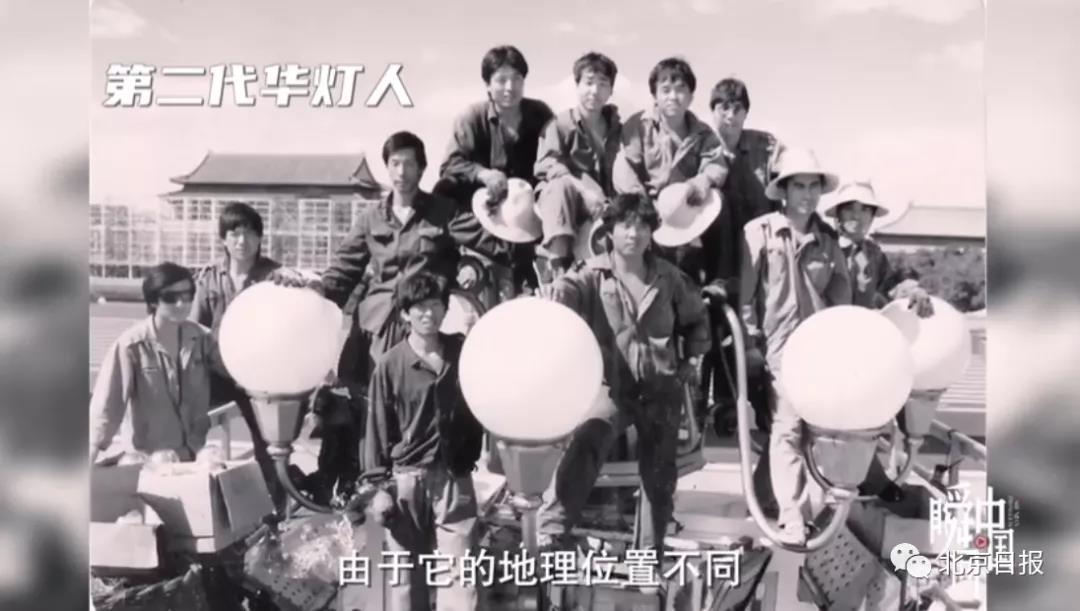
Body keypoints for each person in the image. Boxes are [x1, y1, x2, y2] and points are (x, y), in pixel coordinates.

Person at [276, 131, 484, 500]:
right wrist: (315, 288)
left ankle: (413, 487)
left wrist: (474, 265)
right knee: (360, 407)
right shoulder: (371, 218)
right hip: (373, 329)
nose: (402, 171)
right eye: (395, 163)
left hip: (421, 326)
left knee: (418, 408)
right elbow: (344, 268)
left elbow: (486, 239)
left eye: (409, 163)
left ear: (422, 168)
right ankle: (356, 488)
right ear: (387, 167)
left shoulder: (443, 212)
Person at [539, 192, 711, 558]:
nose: (634, 234)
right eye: (626, 225)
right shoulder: (592, 275)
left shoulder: (670, 278)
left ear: (651, 233)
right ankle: (551, 529)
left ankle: (648, 554)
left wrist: (691, 361)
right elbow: (567, 291)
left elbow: (697, 318)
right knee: (588, 438)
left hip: (661, 389)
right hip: (612, 387)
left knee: (659, 476)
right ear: (610, 231)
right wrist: (556, 293)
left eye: (642, 226)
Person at [738, 148, 852, 545]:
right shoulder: (759, 232)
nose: (806, 194)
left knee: (815, 430)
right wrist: (750, 343)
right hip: (778, 348)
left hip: (819, 349)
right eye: (798, 186)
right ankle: (792, 517)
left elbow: (842, 300)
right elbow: (746, 295)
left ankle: (797, 505)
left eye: (813, 186)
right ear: (783, 191)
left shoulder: (828, 242)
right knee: (787, 427)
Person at [364, 272, 484, 611]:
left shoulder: (463, 354)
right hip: (407, 480)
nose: (428, 313)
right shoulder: (390, 365)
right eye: (419, 306)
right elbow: (376, 428)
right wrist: (378, 488)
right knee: (405, 580)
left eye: (435, 305)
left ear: (445, 309)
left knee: (463, 576)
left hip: (455, 478)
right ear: (405, 313)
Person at [821, 178, 934, 503]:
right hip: (825, 345)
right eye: (850, 209)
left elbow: (892, 286)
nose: (857, 216)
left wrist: (914, 290)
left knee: (862, 419)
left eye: (865, 210)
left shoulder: (873, 254)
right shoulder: (822, 247)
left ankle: (869, 482)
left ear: (872, 217)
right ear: (838, 214)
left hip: (860, 350)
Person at [434, 45, 556, 302]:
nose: (509, 87)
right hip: (482, 215)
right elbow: (449, 165)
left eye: (517, 79)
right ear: (487, 85)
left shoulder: (540, 115)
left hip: (526, 213)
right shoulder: (472, 118)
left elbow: (556, 157)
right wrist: (483, 174)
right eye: (501, 80)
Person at [190, 202, 287, 507]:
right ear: (223, 238)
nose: (242, 241)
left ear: (260, 238)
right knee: (186, 421)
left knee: (269, 444)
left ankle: (275, 509)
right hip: (216, 370)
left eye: (249, 233)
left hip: (257, 375)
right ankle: (194, 500)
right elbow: (195, 326)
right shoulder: (209, 278)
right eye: (234, 233)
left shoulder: (276, 277)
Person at [90, 262, 226, 463]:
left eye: (187, 296)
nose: (181, 304)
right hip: (147, 462)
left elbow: (237, 371)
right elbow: (107, 405)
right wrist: (90, 455)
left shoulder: (203, 339)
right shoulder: (131, 346)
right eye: (171, 298)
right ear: (153, 301)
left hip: (192, 459)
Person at [533, 51, 622, 275]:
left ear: (611, 90)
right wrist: (584, 190)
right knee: (559, 186)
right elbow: (548, 166)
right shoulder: (560, 124)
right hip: (567, 200)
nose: (595, 91)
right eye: (589, 83)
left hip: (604, 203)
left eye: (603, 84)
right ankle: (558, 268)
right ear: (577, 85)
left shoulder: (619, 130)